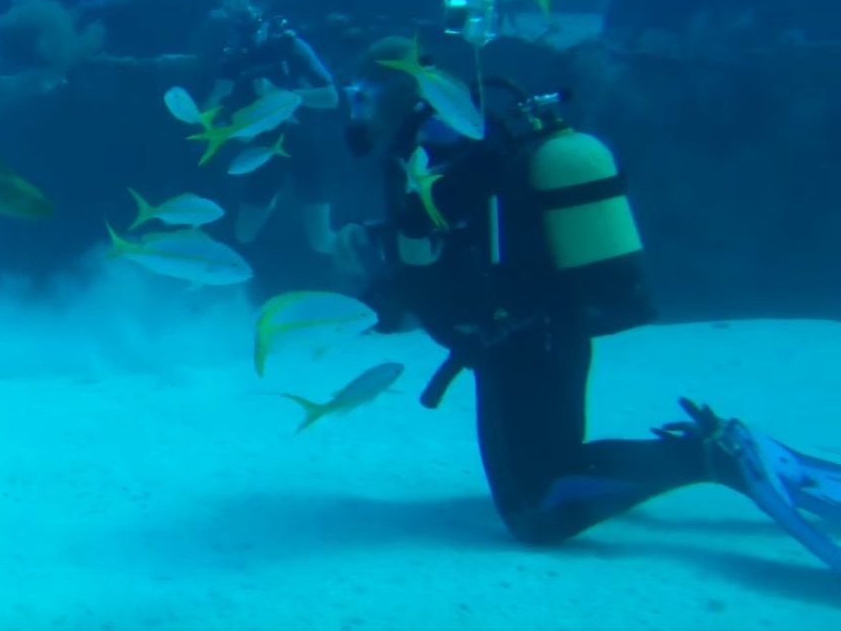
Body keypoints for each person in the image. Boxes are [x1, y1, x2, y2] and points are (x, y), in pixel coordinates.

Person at [332, 35, 841, 568]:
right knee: (549, 474)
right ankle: (711, 452)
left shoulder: (434, 145)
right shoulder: (454, 136)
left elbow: (430, 245)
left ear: (386, 93)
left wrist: (389, 268)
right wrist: (379, 244)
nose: (354, 111)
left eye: (359, 96)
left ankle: (712, 455)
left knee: (537, 511)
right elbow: (467, 233)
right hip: (537, 336)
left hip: (525, 344)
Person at [206, 11, 344, 256]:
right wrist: (214, 122)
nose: (248, 41)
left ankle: (358, 244)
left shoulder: (291, 47)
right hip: (262, 148)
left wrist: (279, 95)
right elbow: (216, 99)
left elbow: (331, 97)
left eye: (252, 33)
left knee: (321, 241)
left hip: (306, 144)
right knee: (244, 234)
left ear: (265, 27)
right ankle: (273, 196)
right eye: (241, 35)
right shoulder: (234, 56)